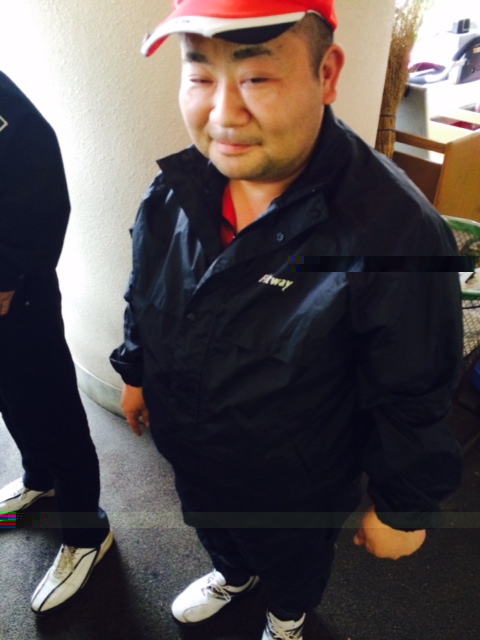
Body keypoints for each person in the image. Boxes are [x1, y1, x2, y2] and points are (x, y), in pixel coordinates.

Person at [110, 1, 465, 638]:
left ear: (327, 74)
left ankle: (287, 615)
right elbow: (146, 292)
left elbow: (415, 387)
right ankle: (232, 573)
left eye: (256, 77)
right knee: (211, 523)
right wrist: (135, 370)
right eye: (200, 75)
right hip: (191, 441)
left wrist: (402, 505)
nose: (223, 113)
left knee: (291, 559)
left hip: (296, 478)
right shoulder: (176, 189)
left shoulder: (397, 232)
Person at [0, 71, 112, 614]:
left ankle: (88, 533)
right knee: (9, 396)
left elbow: (37, 183)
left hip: (14, 292)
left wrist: (5, 277)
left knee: (49, 405)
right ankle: (38, 479)